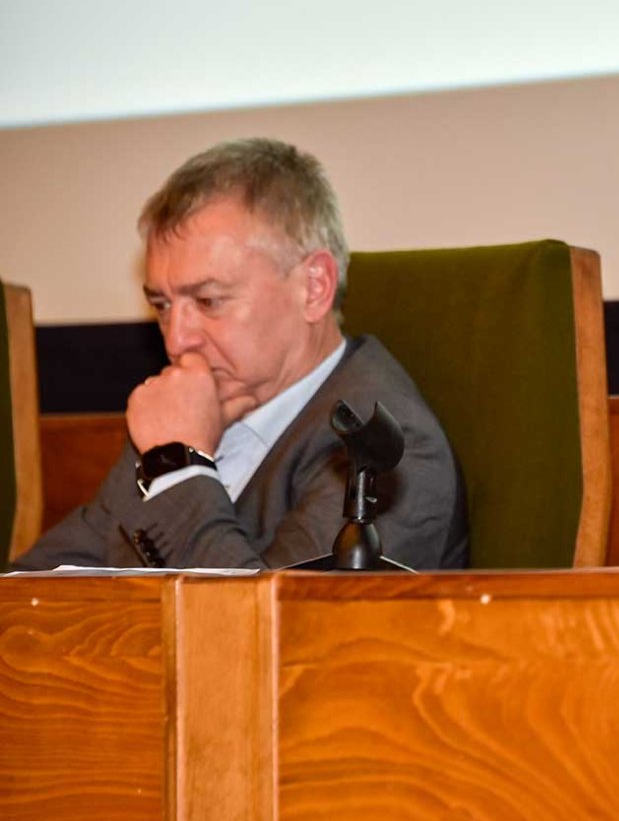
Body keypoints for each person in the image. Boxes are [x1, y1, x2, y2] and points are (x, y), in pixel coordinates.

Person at [14, 138, 468, 570]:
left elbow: (273, 621)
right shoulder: (183, 411)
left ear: (314, 287)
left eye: (209, 301)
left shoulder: (382, 450)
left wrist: (178, 466)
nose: (177, 341)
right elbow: (33, 587)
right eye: (162, 305)